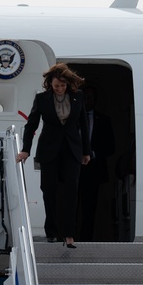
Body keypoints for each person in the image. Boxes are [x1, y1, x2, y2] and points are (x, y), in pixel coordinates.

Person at [16, 63, 91, 248]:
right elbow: (31, 125)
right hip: (49, 149)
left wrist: (86, 151)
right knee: (48, 190)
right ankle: (51, 231)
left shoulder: (77, 97)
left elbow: (83, 124)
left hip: (72, 149)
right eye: (57, 85)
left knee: (71, 191)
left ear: (68, 84)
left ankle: (69, 234)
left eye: (63, 85)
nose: (60, 89)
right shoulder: (42, 99)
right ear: (50, 84)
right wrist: (26, 149)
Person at [78, 85, 115, 241]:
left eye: (92, 98)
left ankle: (86, 239)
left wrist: (93, 153)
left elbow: (111, 147)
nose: (89, 101)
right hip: (74, 170)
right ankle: (69, 237)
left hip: (94, 171)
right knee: (72, 207)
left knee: (90, 208)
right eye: (86, 97)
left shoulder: (104, 120)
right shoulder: (72, 118)